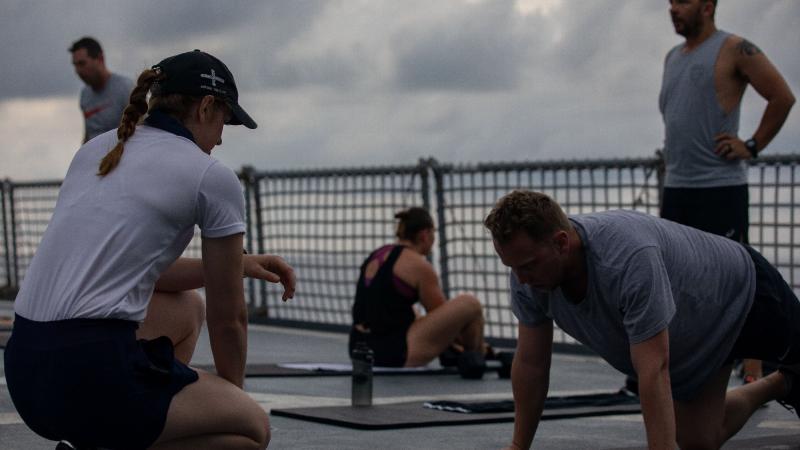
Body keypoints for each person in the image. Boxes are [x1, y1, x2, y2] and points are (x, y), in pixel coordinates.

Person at [4, 50, 296, 450]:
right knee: (250, 430)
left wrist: (238, 264)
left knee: (186, 308)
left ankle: (101, 435)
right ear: (207, 106)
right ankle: (112, 437)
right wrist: (232, 396)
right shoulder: (211, 177)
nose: (223, 136)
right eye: (225, 120)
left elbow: (140, 271)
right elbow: (229, 319)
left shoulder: (96, 152)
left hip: (26, 374)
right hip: (92, 372)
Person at [485, 190, 800, 449]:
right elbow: (531, 365)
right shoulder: (529, 277)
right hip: (699, 337)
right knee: (697, 441)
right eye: (511, 267)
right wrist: (518, 447)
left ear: (561, 243)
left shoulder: (626, 258)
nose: (521, 279)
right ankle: (781, 383)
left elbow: (653, 368)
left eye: (527, 265)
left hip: (746, 295)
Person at [659, 0, 795, 385]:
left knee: (736, 277)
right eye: (670, 1)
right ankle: (684, 362)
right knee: (676, 278)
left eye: (682, 1)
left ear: (707, 6)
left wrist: (751, 145)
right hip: (678, 186)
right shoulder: (672, 57)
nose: (673, 8)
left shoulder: (735, 48)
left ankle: (752, 370)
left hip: (719, 187)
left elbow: (782, 96)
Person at [349, 207, 489, 368]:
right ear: (425, 234)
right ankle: (475, 356)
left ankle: (465, 353)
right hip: (392, 353)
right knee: (470, 304)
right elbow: (446, 325)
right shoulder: (419, 266)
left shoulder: (378, 254)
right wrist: (469, 342)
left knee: (413, 314)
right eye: (433, 234)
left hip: (358, 348)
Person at [69, 37, 134, 143]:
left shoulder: (125, 88)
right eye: (75, 65)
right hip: (94, 158)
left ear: (100, 59)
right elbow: (88, 134)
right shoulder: (85, 95)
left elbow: (139, 131)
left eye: (82, 64)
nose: (78, 71)